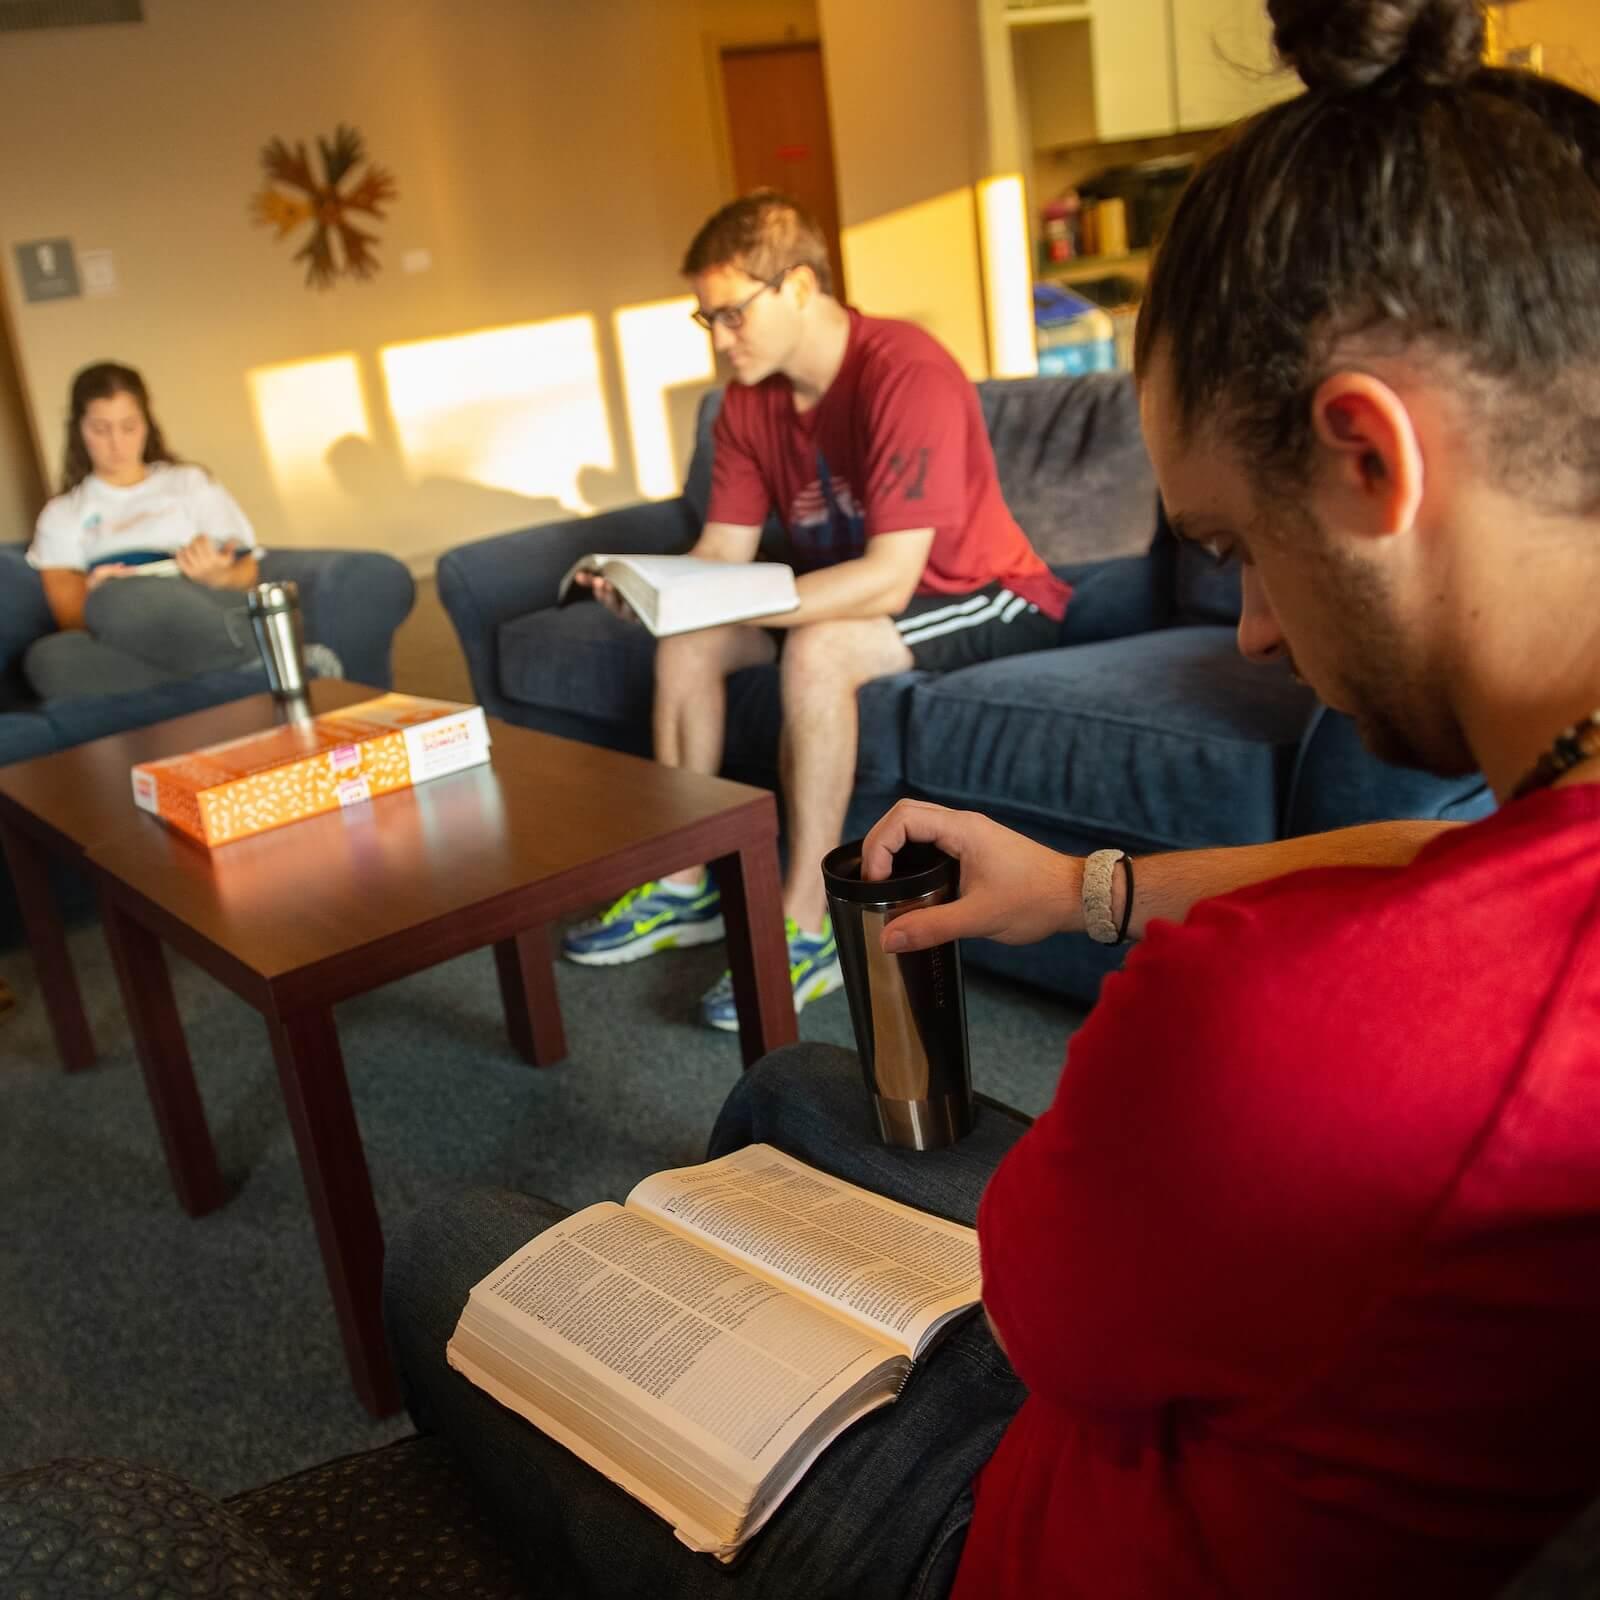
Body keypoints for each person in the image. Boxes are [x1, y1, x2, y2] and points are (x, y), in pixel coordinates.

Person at [384, 1, 1600, 1594]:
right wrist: (1091, 889)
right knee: (797, 1095)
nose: (1242, 628)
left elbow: (1040, 1321)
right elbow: (1460, 853)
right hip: (1238, 1357)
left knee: (449, 1242)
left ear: (1372, 462)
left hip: (996, 1531)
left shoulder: (1265, 1021)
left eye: (1232, 548)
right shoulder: (1526, 881)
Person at [560, 191, 1073, 1031]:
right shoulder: (746, 402)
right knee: (687, 640)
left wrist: (762, 605)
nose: (720, 338)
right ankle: (686, 886)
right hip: (852, 591)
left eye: (731, 313)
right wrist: (656, 595)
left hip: (980, 593)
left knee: (819, 650)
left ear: (798, 285)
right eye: (707, 320)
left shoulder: (903, 369)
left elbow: (890, 580)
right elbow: (722, 553)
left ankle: (809, 925)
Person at [24, 361, 305, 701]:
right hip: (120, 622)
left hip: (201, 605)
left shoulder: (188, 482)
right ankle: (251, 664)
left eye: (129, 427)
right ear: (79, 430)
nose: (117, 443)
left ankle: (223, 665)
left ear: (146, 423)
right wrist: (94, 592)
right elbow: (72, 618)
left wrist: (218, 577)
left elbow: (247, 571)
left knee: (125, 601)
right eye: (101, 429)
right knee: (50, 659)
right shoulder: (62, 513)